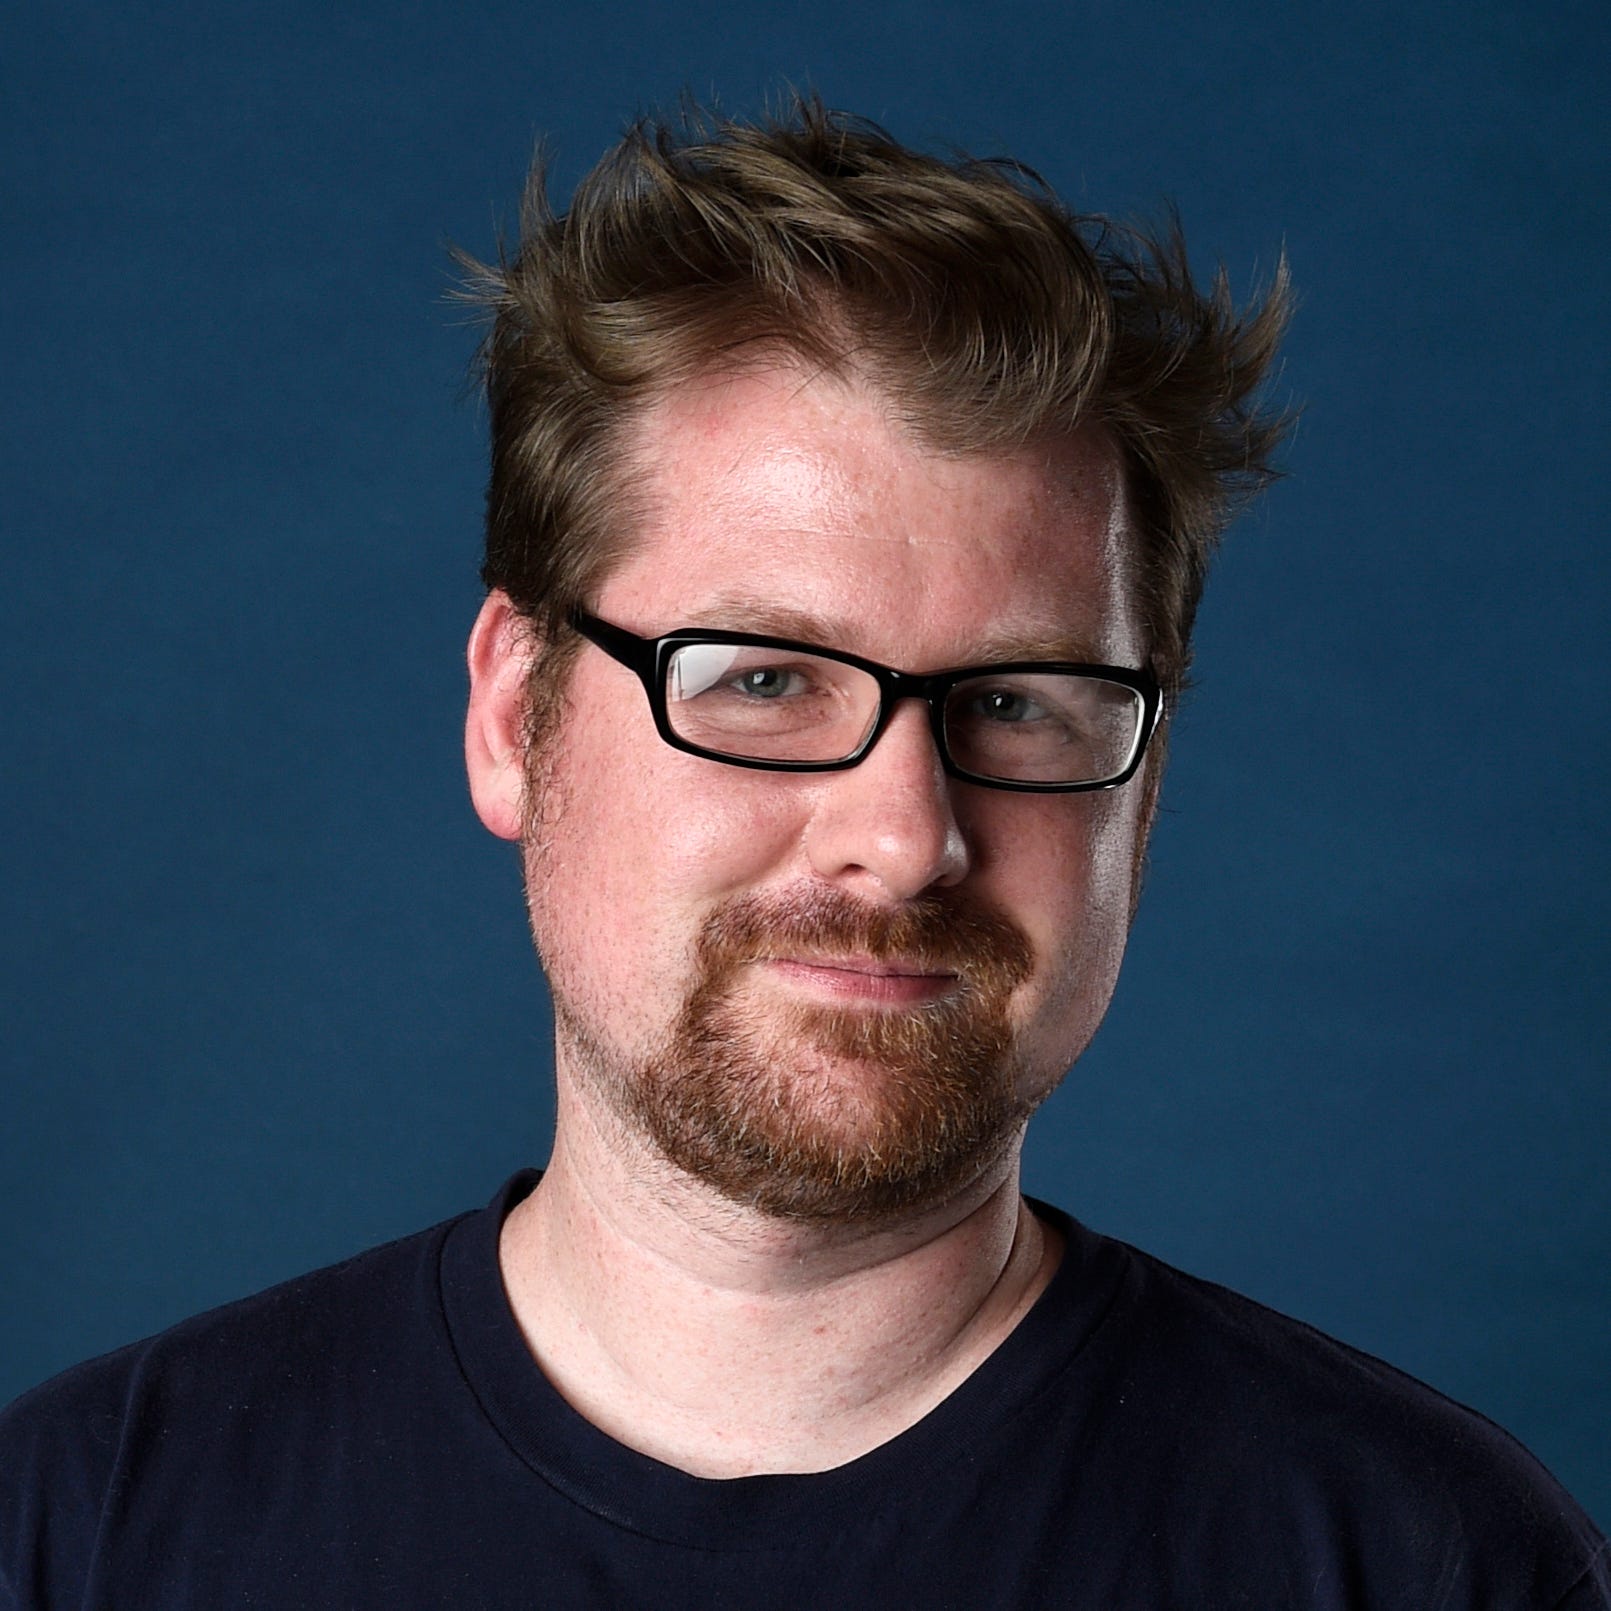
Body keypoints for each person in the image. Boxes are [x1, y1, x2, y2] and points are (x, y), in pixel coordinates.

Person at [2, 98, 1605, 1610]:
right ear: (515, 715)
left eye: (1020, 702)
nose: (906, 838)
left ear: (1148, 780)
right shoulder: (83, 1532)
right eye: (764, 680)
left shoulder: (1423, 1562)